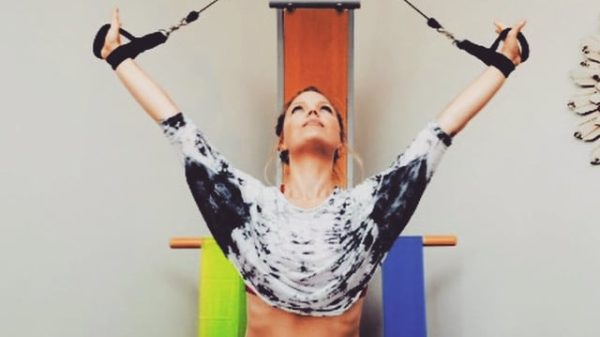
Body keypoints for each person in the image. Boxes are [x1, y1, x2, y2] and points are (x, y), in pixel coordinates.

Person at [99, 8, 526, 337]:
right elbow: (179, 131)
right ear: (280, 140)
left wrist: (502, 65)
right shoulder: (249, 209)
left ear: (341, 139)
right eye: (299, 108)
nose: (312, 112)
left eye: (324, 109)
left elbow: (440, 133)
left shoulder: (368, 212)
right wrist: (119, 58)